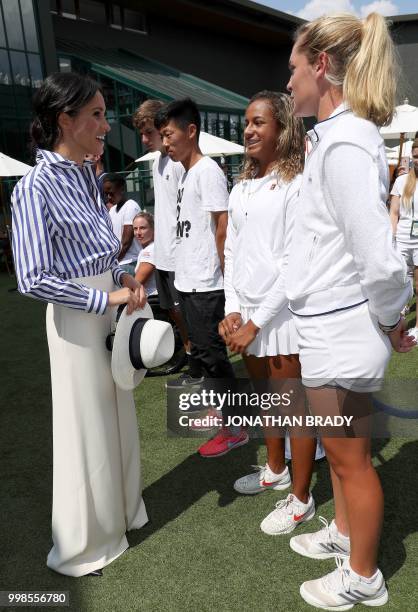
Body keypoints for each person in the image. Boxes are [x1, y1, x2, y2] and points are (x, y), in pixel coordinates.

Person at [284, 12, 414, 609]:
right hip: (330, 324)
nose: (288, 84)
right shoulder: (337, 140)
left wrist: (392, 319)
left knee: (351, 457)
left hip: (341, 326)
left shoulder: (342, 147)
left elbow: (380, 258)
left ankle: (364, 576)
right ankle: (343, 535)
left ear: (320, 67)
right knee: (345, 449)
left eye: (293, 69)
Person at [11, 72, 149, 577]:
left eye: (103, 112)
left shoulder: (89, 177)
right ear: (63, 120)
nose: (105, 125)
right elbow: (31, 277)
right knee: (85, 425)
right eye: (95, 114)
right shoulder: (33, 186)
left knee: (119, 416)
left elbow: (101, 250)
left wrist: (125, 277)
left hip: (109, 309)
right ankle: (86, 540)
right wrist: (102, 296)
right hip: (74, 321)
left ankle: (122, 513)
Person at [219, 90, 318, 534]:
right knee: (268, 403)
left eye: (259, 122)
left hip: (282, 317)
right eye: (247, 122)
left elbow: (294, 263)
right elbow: (232, 252)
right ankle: (275, 470)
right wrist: (232, 310)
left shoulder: (298, 185)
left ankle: (302, 499)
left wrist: (257, 321)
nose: (249, 130)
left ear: (282, 128)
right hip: (248, 319)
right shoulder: (239, 187)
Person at [156, 98, 246, 457]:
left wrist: (226, 277)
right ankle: (221, 412)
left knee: (213, 356)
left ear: (191, 131)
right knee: (203, 355)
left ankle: (235, 425)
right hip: (190, 280)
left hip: (208, 283)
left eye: (168, 134)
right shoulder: (187, 172)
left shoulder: (207, 171)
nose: (165, 143)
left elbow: (222, 224)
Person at [133, 100, 190, 376]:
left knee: (189, 313)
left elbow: (186, 210)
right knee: (173, 311)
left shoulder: (179, 163)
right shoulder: (158, 163)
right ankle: (190, 354)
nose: (144, 140)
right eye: (142, 134)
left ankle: (200, 358)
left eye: (149, 133)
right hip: (163, 255)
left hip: (180, 257)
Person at [390, 139, 418, 340]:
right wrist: (391, 238)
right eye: (415, 155)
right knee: (400, 282)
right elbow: (393, 213)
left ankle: (417, 327)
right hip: (401, 239)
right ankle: (398, 320)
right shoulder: (401, 181)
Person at [104, 175, 142, 274]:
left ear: (122, 189)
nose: (108, 197)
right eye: (106, 194)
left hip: (129, 263)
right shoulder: (112, 210)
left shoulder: (131, 206)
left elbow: (126, 243)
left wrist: (113, 262)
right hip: (118, 263)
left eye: (111, 194)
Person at [133, 212, 157, 297]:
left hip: (152, 301)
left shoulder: (150, 250)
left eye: (142, 228)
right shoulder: (151, 248)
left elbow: (136, 284)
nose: (138, 233)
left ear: (153, 229)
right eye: (135, 229)